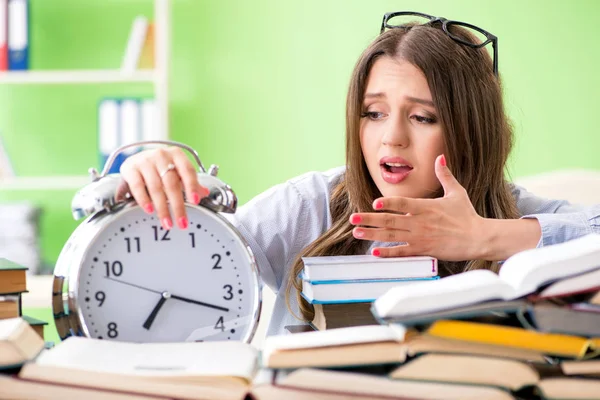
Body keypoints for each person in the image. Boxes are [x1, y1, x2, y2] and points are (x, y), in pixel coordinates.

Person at [119, 11, 600, 336]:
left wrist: (487, 237)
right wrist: (141, 174)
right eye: (373, 113)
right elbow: (186, 261)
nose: (391, 138)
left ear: (472, 129)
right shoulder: (306, 207)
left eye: (423, 117)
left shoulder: (516, 217)